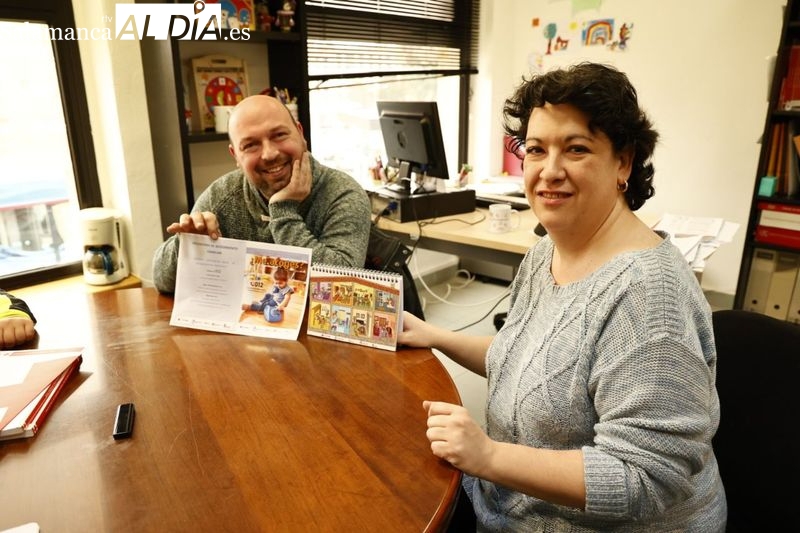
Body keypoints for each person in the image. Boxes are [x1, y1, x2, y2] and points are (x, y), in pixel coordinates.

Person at [399, 62, 726, 531]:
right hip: (510, 504)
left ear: (624, 163)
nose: (549, 171)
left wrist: (488, 456)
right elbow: (528, 362)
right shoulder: (546, 252)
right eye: (536, 150)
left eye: (576, 149)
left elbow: (647, 477)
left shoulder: (650, 295)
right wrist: (433, 334)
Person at [152, 95, 372, 293]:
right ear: (235, 156)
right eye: (250, 145)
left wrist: (283, 212)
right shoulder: (222, 196)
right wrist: (187, 245)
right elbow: (161, 280)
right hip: (243, 331)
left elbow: (342, 288)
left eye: (279, 135)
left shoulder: (343, 194)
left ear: (300, 133)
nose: (269, 153)